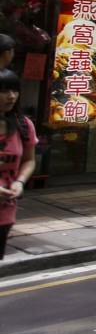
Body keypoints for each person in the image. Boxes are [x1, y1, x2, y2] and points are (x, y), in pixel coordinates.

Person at [0, 70, 36, 259]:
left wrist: (20, 182)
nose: (11, 96)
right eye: (4, 91)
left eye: (15, 90)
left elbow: (29, 160)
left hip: (5, 211)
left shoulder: (24, 125)